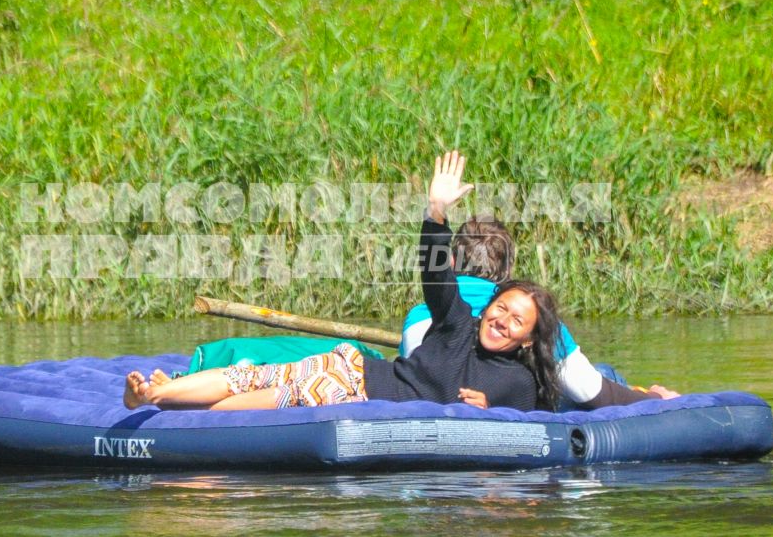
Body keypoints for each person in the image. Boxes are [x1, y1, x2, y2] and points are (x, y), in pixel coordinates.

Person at [124, 152, 662, 413]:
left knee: (266, 394)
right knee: (249, 380)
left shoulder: (522, 383)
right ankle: (155, 393)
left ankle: (160, 400)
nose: (500, 320)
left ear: (527, 339)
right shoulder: (456, 323)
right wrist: (435, 212)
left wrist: (484, 412)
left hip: (351, 387)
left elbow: (530, 411)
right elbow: (435, 275)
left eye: (515, 321)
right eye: (501, 309)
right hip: (353, 372)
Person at [397, 214, 659, 407]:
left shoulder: (419, 318)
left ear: (452, 262)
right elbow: (589, 391)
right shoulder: (531, 317)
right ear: (509, 273)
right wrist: (654, 400)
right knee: (604, 374)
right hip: (495, 417)